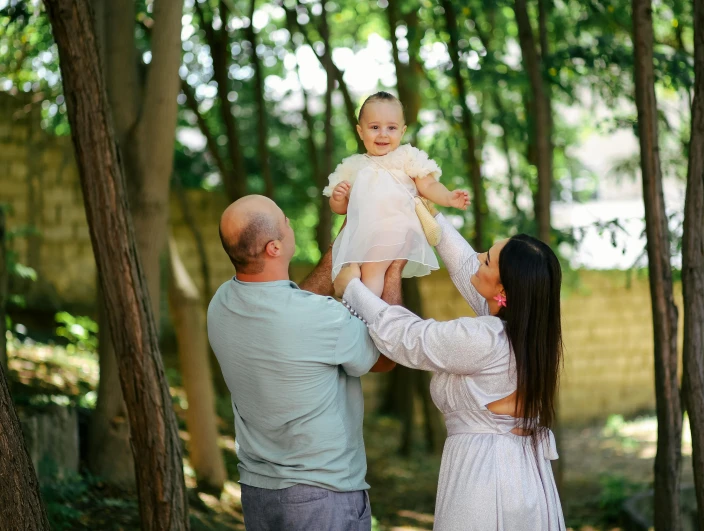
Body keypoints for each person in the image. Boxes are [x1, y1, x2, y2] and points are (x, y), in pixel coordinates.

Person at [334, 209, 566, 530]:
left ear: (504, 291)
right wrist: (436, 222)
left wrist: (352, 289)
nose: (479, 257)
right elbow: (468, 266)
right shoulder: (531, 333)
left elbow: (412, 339)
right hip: (522, 474)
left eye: (487, 260)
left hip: (487, 478)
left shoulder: (486, 338)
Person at [207, 195, 400, 531]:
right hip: (322, 496)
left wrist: (347, 238)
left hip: (259, 491)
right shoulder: (321, 319)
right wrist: (395, 270)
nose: (290, 224)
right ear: (274, 248)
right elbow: (385, 357)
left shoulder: (221, 304)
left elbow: (296, 304)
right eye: (285, 221)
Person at [324, 91, 470, 296]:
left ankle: (367, 315)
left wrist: (448, 197)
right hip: (363, 235)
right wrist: (338, 198)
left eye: (391, 128)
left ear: (402, 132)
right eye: (374, 127)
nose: (383, 134)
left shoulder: (406, 157)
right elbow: (341, 209)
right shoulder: (353, 166)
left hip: (395, 228)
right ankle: (360, 307)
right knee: (354, 272)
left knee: (372, 270)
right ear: (360, 131)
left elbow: (428, 185)